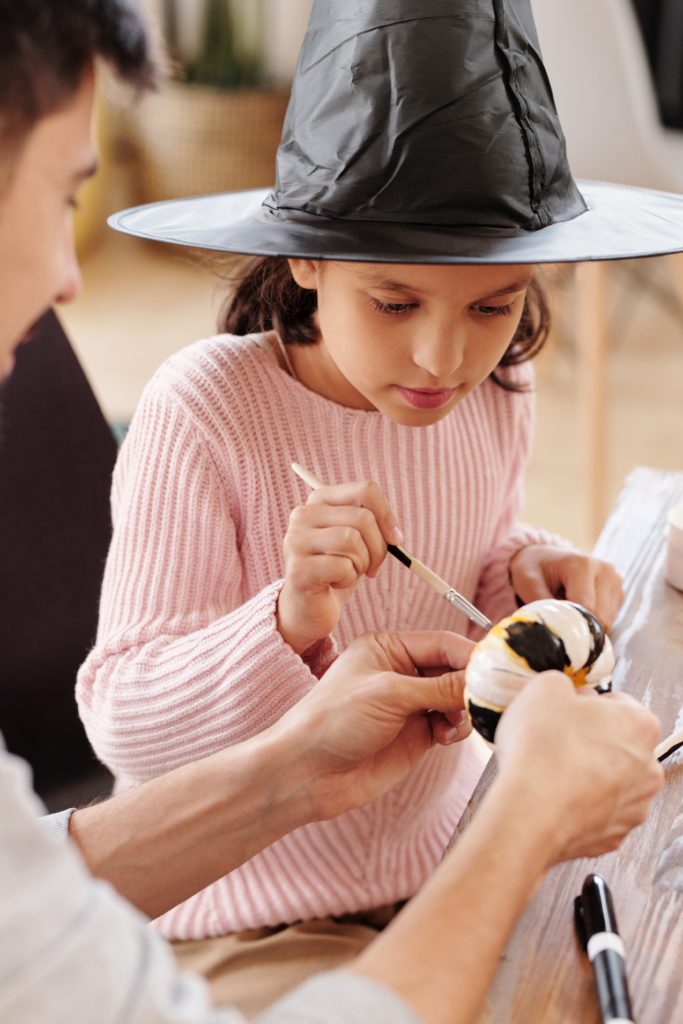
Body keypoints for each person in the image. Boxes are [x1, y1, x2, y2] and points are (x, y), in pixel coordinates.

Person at [0, 5, 669, 1022]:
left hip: (436, 868)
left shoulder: (496, 395)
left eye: (491, 307)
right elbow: (122, 720)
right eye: (393, 303)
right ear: (304, 260)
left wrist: (525, 576)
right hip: (236, 920)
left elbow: (473, 558)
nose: (443, 358)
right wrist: (287, 621)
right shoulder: (206, 413)